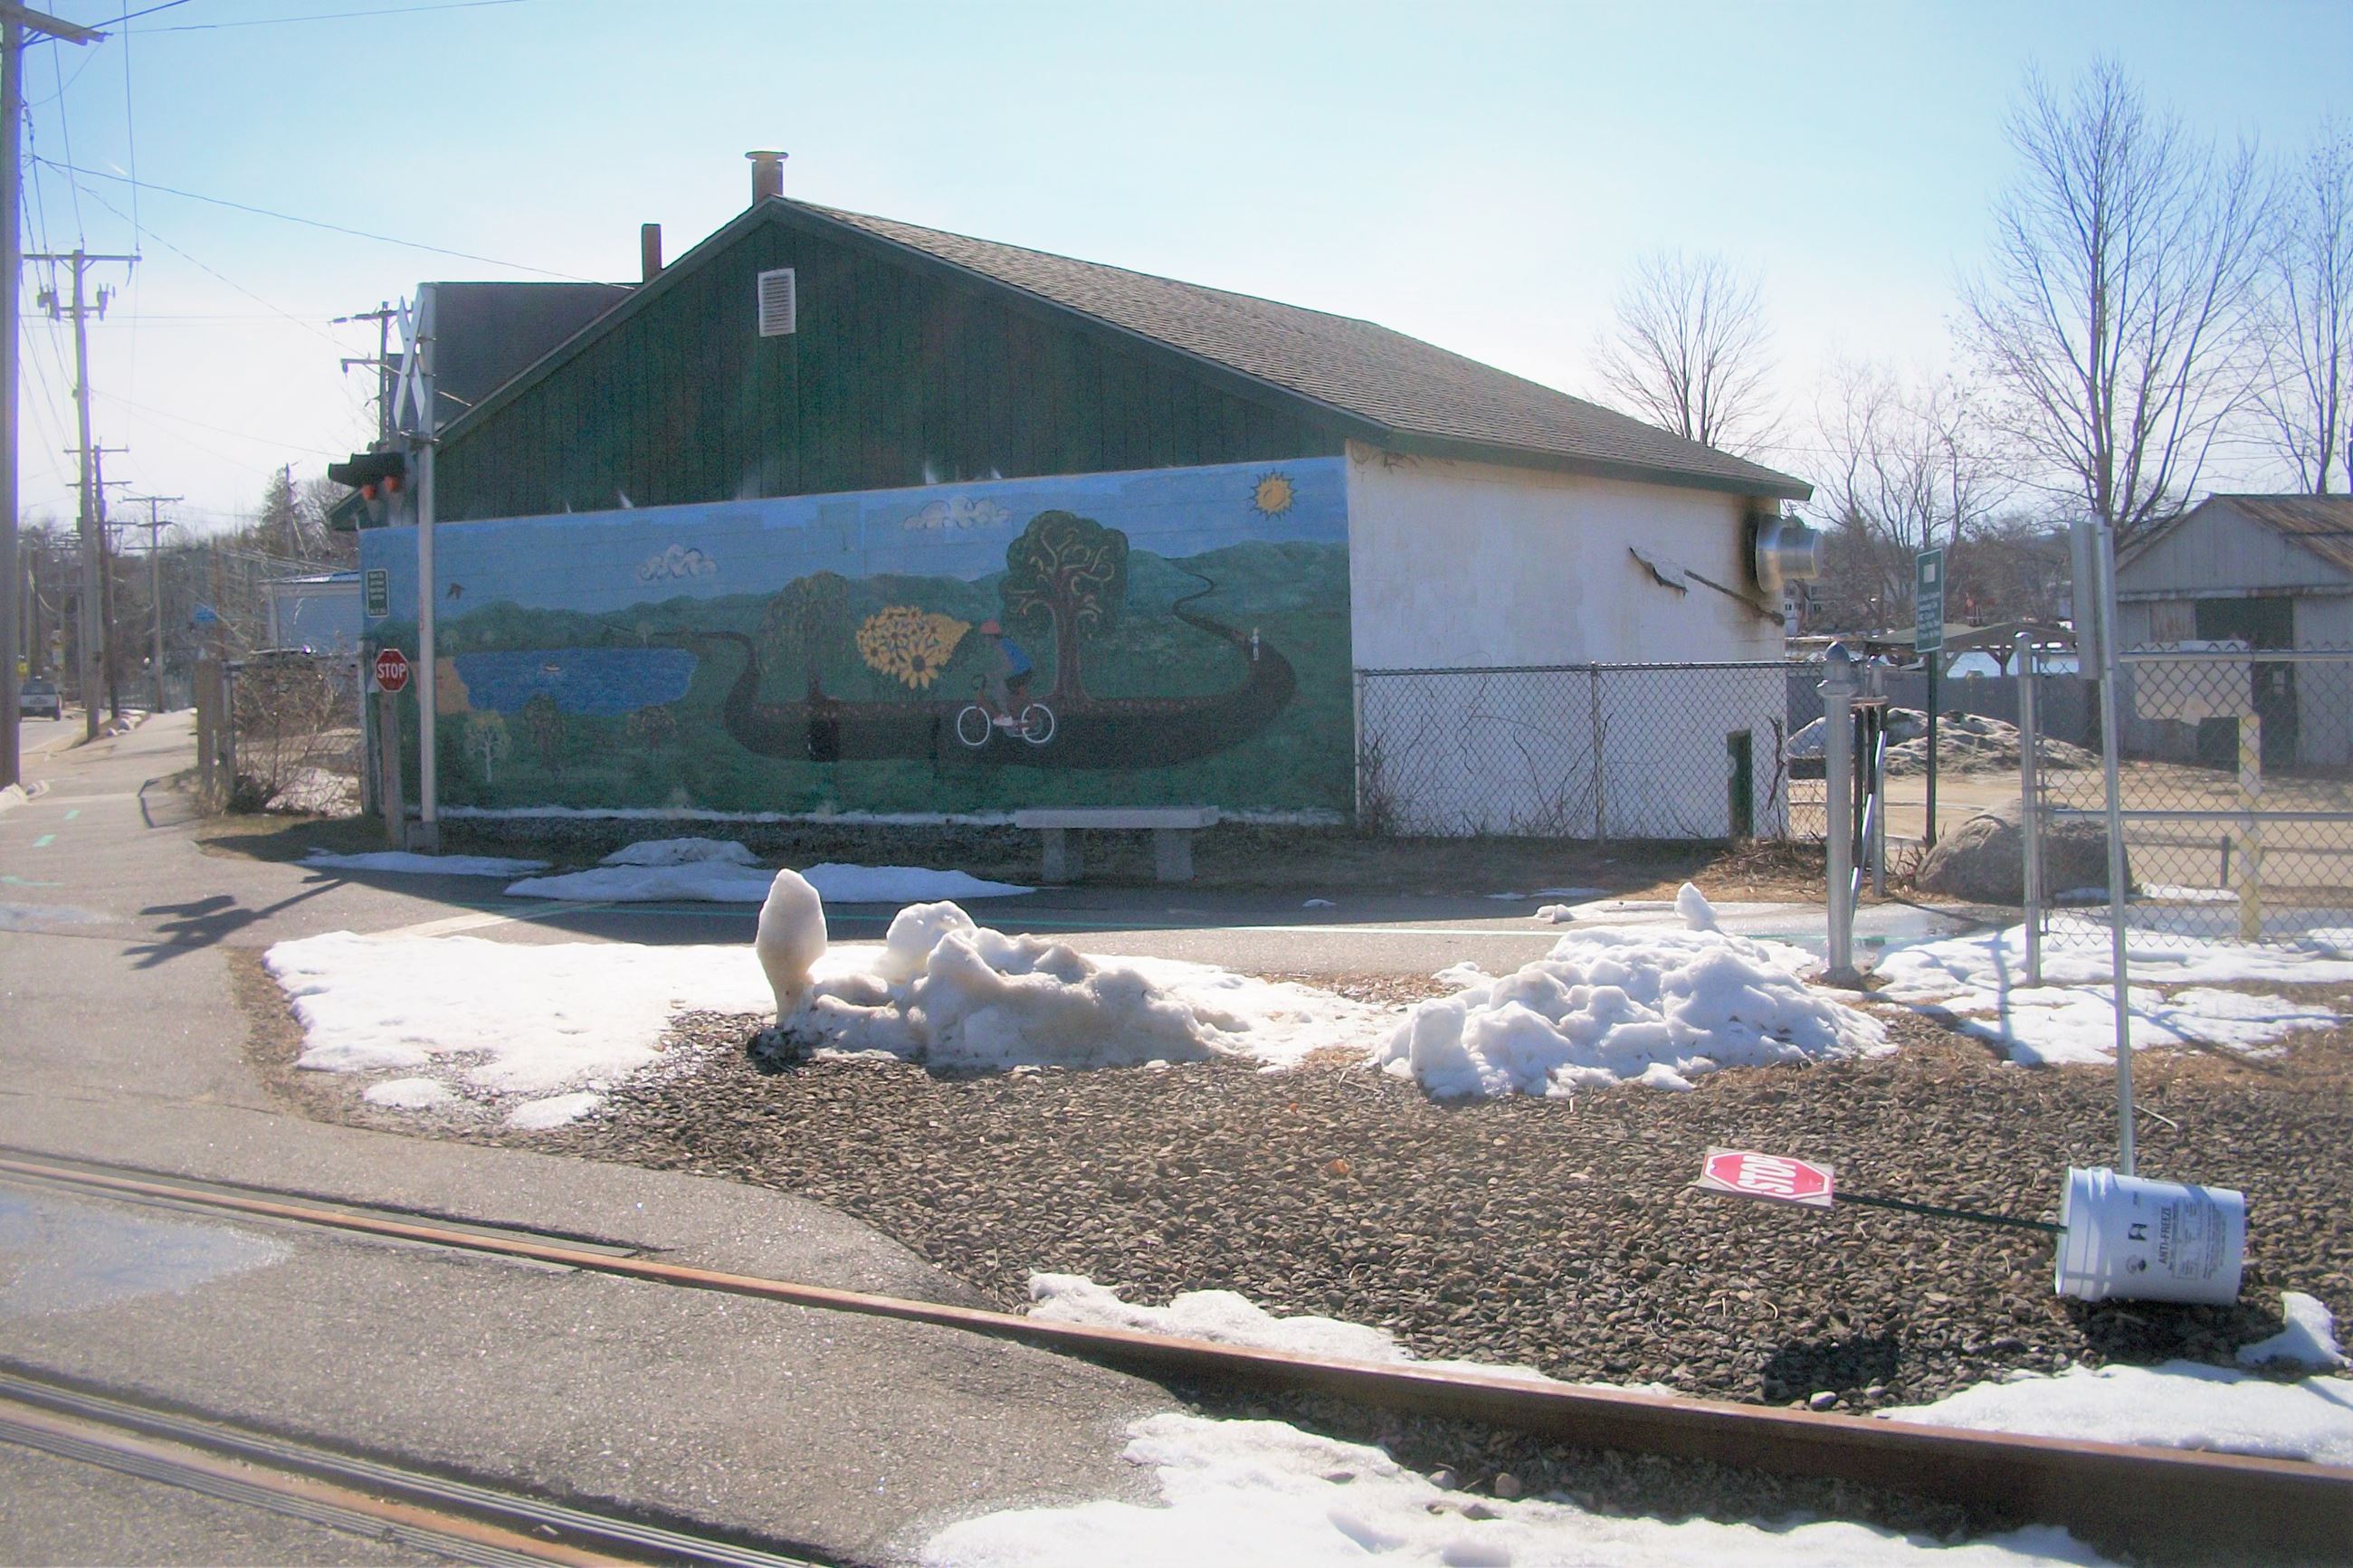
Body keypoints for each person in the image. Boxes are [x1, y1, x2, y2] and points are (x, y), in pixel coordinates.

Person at [975, 619, 1034, 720]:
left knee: (998, 691)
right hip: (1024, 672)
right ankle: (1012, 713)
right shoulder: (1004, 643)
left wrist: (993, 675)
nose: (984, 640)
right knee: (1003, 688)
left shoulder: (999, 646)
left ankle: (1007, 719)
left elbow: (1008, 667)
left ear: (992, 637)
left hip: (1022, 673)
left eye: (985, 637)